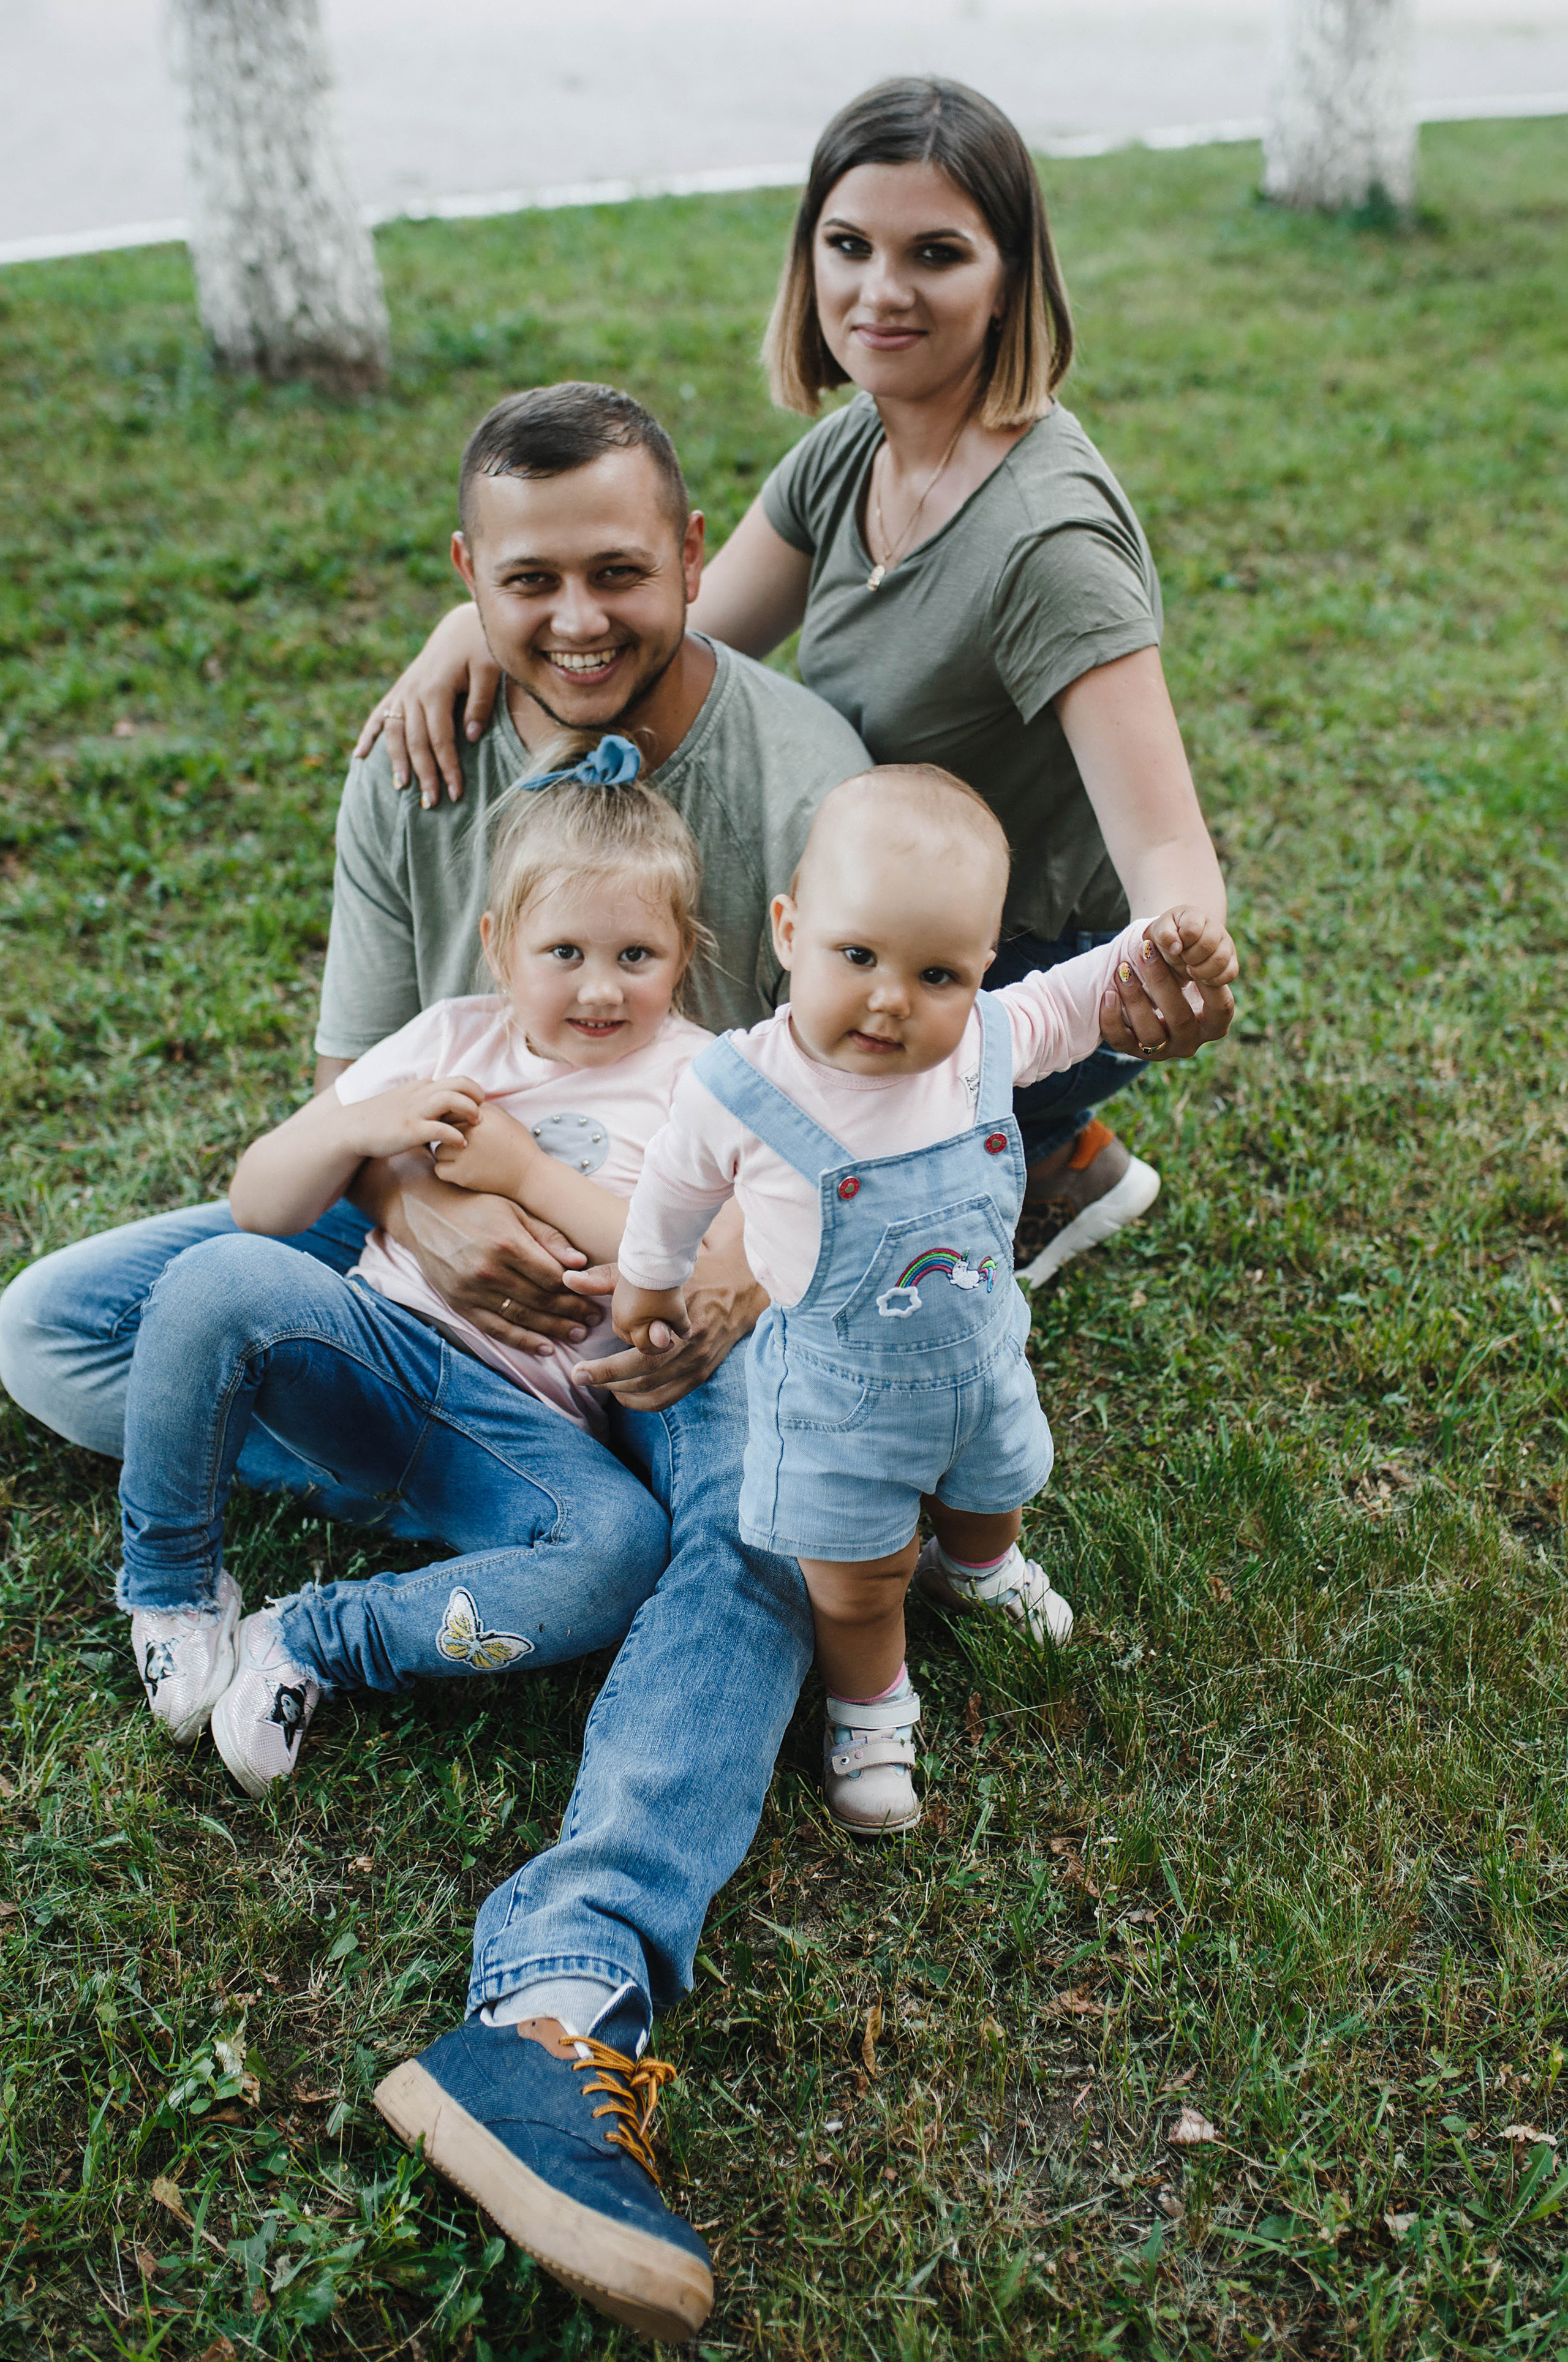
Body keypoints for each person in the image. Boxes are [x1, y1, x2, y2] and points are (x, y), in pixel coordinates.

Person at [0, 382, 883, 2344]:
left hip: (705, 1238)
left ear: (691, 567)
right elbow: (351, 1097)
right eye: (528, 582)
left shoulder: (798, 770)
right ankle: (434, 1444)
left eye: (623, 575)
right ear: (468, 580)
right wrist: (440, 1224)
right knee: (64, 1333)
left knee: (745, 1507)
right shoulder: (423, 753)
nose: (578, 621)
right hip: (433, 1193)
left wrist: (693, 1293)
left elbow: (839, 1126)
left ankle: (557, 2004)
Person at [356, 75, 1235, 1288]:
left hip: (1003, 964)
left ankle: (1029, 1144)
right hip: (878, 892)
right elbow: (652, 636)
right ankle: (1052, 1150)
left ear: (1008, 274)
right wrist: (485, 622)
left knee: (803, 1164)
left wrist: (1173, 967)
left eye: (934, 253)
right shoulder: (858, 445)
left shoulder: (1048, 544)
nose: (880, 291)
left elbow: (1169, 855)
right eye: (847, 245)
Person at [609, 768, 1237, 1835]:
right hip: (836, 1403)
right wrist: (649, 1279)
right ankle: (869, 1704)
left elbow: (1083, 997)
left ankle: (980, 1564)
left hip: (978, 1364)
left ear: (981, 971)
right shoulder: (744, 1085)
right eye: (857, 957)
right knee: (856, 1580)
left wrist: (1164, 949)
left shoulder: (988, 1042)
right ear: (790, 928)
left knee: (992, 1486)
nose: (893, 999)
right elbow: (675, 1182)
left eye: (938, 973)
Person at [118, 745, 713, 1800]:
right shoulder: (454, 1040)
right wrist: (361, 1122)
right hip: (380, 1358)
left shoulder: (699, 1078)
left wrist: (527, 1170)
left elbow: (687, 1272)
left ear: (686, 955)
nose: (599, 986)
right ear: (498, 945)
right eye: (564, 949)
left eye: (637, 954)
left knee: (624, 1548)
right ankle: (170, 1588)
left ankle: (314, 1639)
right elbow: (261, 1200)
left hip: (527, 1432)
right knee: (216, 1279)